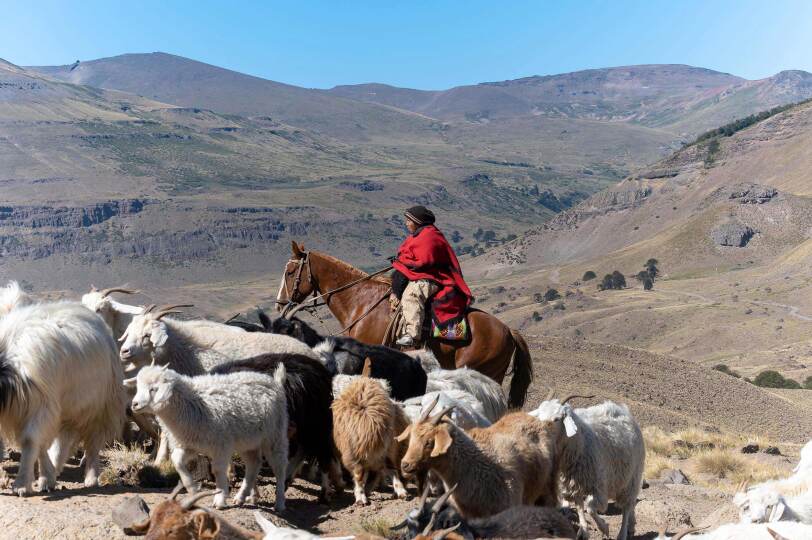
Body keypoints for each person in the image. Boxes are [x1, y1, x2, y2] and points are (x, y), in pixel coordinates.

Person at [390, 206, 473, 347]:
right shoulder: (418, 234)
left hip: (433, 277)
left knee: (411, 296)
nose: (406, 223)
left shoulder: (429, 236)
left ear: (417, 221)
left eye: (408, 220)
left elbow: (424, 261)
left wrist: (404, 262)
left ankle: (411, 335)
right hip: (421, 274)